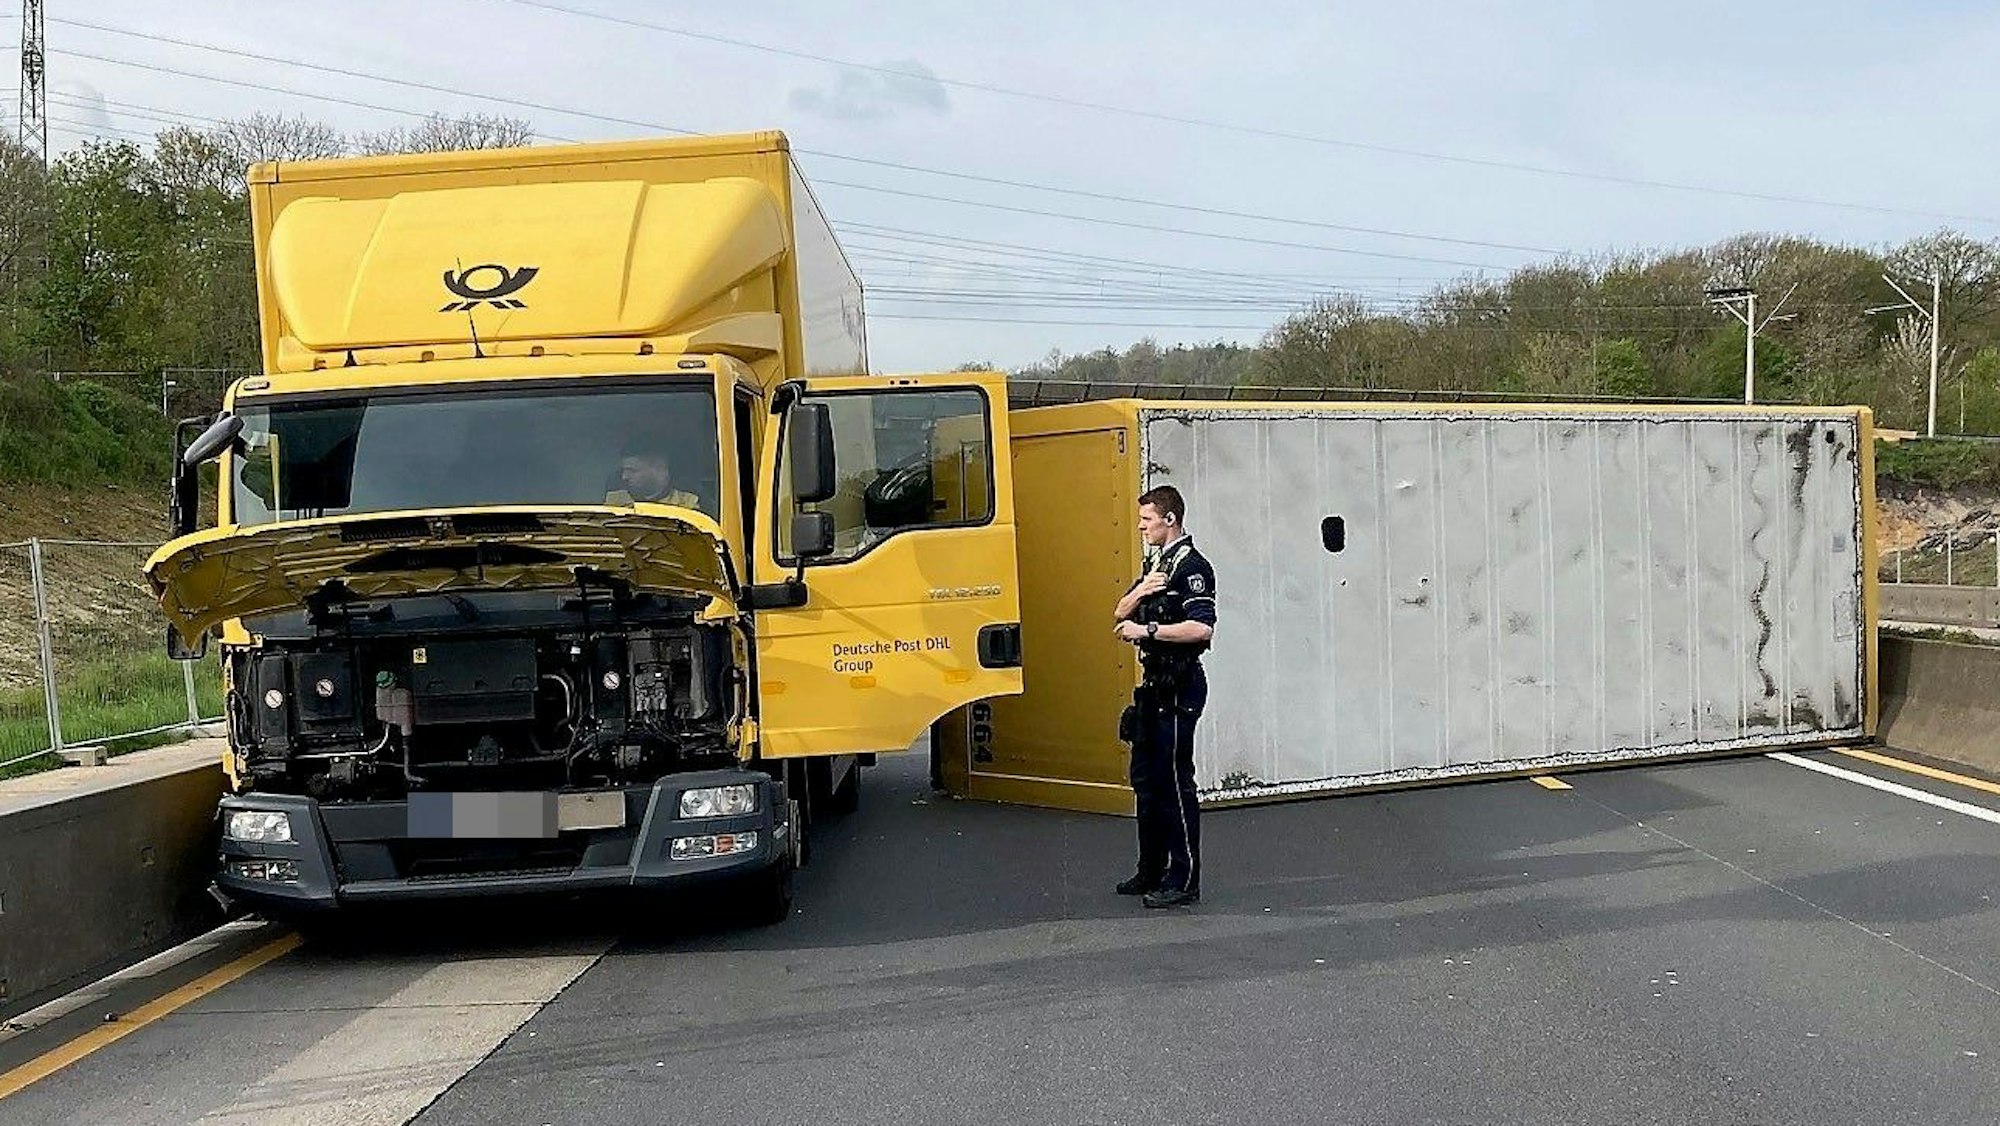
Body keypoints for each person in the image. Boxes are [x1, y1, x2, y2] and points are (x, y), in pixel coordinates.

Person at [1111, 484, 1216, 908]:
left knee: (1174, 783)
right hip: (1153, 688)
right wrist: (1140, 593)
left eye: (1147, 520)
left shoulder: (1191, 567)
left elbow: (1202, 628)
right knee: (1147, 782)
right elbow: (1119, 612)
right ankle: (1150, 869)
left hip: (1179, 686)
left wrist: (1147, 630)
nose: (1141, 527)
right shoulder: (1157, 565)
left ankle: (1184, 879)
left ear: (1169, 520)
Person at [607, 435, 702, 510]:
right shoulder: (615, 499)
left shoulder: (687, 502)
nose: (624, 477)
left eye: (632, 471)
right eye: (624, 470)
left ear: (657, 468)